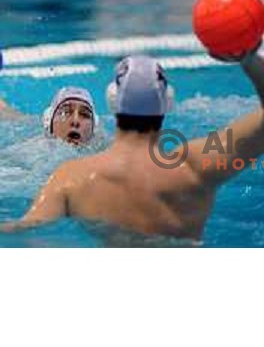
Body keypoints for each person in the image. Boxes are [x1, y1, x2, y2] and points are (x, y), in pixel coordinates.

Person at [15, 51, 264, 240]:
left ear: (113, 102)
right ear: (167, 102)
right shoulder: (196, 164)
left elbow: (22, 232)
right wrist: (248, 56)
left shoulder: (72, 177)